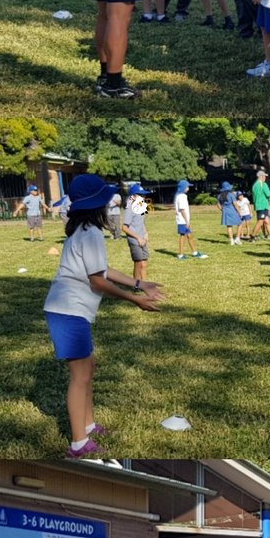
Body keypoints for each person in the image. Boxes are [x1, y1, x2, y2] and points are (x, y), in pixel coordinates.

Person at [43, 174, 162, 458]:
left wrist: (138, 283)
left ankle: (89, 424)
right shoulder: (91, 233)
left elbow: (103, 271)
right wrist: (135, 300)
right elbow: (97, 282)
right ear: (97, 203)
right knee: (80, 376)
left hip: (71, 312)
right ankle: (78, 443)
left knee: (88, 367)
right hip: (67, 311)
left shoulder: (84, 231)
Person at [121, 182, 152, 283]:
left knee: (144, 263)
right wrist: (138, 238)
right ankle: (136, 285)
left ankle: (144, 284)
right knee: (138, 263)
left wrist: (145, 233)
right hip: (135, 240)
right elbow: (124, 228)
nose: (143, 197)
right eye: (141, 195)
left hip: (142, 239)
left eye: (144, 195)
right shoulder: (129, 208)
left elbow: (141, 222)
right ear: (133, 196)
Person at [174, 179, 206, 259]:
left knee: (189, 236)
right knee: (183, 236)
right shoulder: (181, 197)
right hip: (182, 221)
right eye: (187, 186)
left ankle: (194, 252)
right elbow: (182, 209)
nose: (188, 188)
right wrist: (186, 221)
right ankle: (180, 254)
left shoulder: (180, 196)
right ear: (183, 187)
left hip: (184, 220)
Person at [218, 181, 244, 246]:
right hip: (232, 210)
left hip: (225, 211)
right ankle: (237, 238)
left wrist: (222, 209)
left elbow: (218, 205)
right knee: (240, 223)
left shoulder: (219, 195)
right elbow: (235, 204)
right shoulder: (231, 194)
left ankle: (231, 240)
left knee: (229, 226)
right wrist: (239, 212)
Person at [252, 169, 270, 239]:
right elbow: (269, 194)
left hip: (259, 205)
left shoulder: (254, 185)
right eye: (264, 176)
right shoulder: (263, 184)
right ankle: (252, 236)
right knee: (260, 221)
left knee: (267, 220)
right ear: (261, 176)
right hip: (262, 206)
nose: (265, 178)